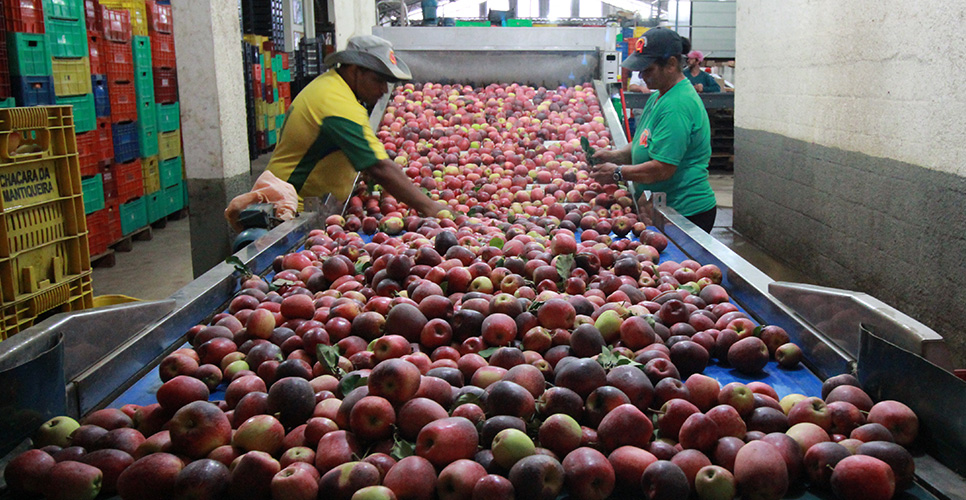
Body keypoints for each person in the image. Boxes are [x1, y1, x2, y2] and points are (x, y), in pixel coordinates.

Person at [227, 35, 444, 229]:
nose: (383, 90)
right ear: (355, 70)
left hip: (314, 206)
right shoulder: (335, 103)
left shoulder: (332, 87)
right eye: (378, 80)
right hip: (292, 214)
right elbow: (379, 166)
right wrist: (432, 208)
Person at [590, 28, 717, 233]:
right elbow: (643, 143)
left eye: (647, 69)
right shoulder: (659, 96)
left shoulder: (677, 104)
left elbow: (663, 168)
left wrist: (617, 173)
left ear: (671, 64)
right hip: (664, 207)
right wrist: (613, 156)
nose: (641, 75)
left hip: (685, 213)